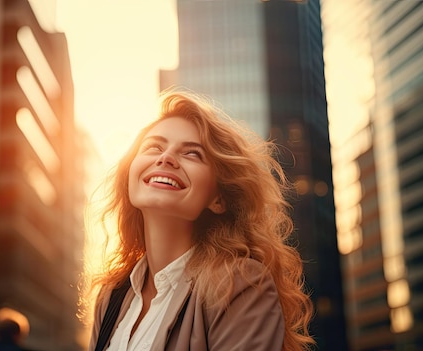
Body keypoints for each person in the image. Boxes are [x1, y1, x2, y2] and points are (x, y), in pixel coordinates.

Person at [84, 89, 314, 350]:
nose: (166, 158)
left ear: (218, 199)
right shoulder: (111, 296)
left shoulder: (240, 284)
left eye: (192, 154)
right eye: (153, 147)